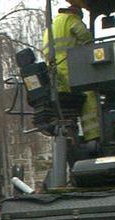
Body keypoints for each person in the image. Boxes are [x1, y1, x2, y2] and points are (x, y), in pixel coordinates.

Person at [42, 2, 99, 142]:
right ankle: (94, 136)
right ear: (76, 12)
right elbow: (86, 39)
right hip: (70, 67)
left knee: (67, 107)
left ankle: (71, 135)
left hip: (55, 73)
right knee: (88, 97)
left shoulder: (51, 27)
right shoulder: (72, 20)